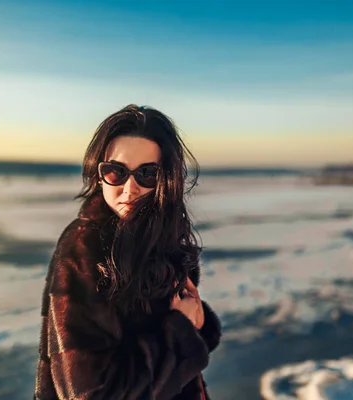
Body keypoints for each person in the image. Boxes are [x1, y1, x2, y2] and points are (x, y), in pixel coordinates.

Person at [34, 104, 222, 400]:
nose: (129, 189)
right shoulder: (85, 249)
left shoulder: (160, 237)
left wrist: (198, 325)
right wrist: (180, 333)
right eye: (116, 172)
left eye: (147, 174)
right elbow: (92, 393)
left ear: (166, 179)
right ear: (99, 174)